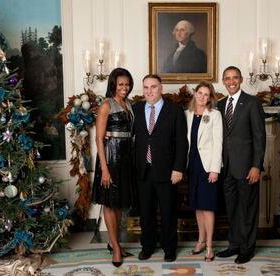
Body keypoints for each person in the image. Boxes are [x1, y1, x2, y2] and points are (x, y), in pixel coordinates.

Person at [133, 74, 188, 262]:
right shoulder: (136, 109)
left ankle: (169, 247)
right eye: (146, 87)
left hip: (167, 170)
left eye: (153, 87)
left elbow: (182, 142)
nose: (149, 91)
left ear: (161, 88)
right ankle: (147, 246)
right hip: (143, 169)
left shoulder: (175, 110)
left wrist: (178, 168)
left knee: (168, 211)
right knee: (146, 212)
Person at [216, 66, 266, 264]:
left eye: (235, 78)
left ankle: (247, 248)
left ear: (241, 79)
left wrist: (256, 166)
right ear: (222, 80)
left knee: (247, 208)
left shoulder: (252, 103)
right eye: (227, 78)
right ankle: (234, 244)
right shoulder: (219, 105)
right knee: (232, 209)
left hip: (247, 167)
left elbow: (259, 138)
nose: (231, 81)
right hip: (226, 167)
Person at [91, 68, 135, 267]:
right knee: (110, 203)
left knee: (120, 203)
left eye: (127, 84)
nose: (124, 88)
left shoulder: (131, 105)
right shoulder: (106, 105)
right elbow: (99, 139)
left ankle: (113, 241)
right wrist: (104, 169)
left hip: (126, 159)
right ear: (113, 85)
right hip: (109, 158)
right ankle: (116, 248)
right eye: (120, 85)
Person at [185, 81, 222, 262]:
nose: (202, 97)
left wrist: (215, 169)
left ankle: (209, 246)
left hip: (207, 167)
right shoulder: (187, 115)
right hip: (191, 165)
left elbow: (218, 144)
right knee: (197, 206)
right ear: (195, 94)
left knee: (207, 206)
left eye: (206, 94)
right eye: (199, 93)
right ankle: (200, 240)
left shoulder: (214, 115)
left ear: (210, 98)